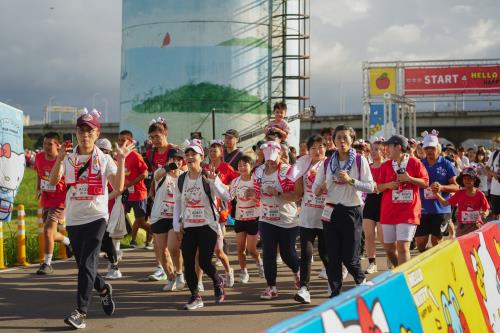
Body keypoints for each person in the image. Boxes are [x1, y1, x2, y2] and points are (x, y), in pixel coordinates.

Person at [49, 109, 133, 329]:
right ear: (76, 132)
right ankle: (103, 288)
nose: (85, 134)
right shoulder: (68, 158)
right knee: (84, 266)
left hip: (97, 217)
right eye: (81, 130)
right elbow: (52, 180)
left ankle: (80, 313)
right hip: (75, 219)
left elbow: (119, 186)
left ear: (97, 133)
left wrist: (121, 160)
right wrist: (59, 159)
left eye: (90, 131)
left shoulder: (104, 159)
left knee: (87, 264)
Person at [313, 125, 375, 297]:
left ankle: (361, 281)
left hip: (352, 211)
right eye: (338, 137)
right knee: (333, 256)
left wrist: (351, 180)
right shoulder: (327, 162)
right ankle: (335, 291)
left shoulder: (359, 160)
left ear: (352, 140)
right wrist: (319, 189)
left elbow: (371, 187)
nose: (341, 141)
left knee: (350, 257)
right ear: (333, 141)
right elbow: (315, 186)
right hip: (330, 210)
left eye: (345, 137)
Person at [173, 139, 228, 310]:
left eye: (193, 154)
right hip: (189, 227)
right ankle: (195, 296)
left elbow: (227, 197)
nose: (189, 157)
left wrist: (215, 183)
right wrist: (177, 226)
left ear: (201, 157)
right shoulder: (181, 179)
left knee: (204, 261)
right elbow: (177, 204)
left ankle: (217, 280)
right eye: (187, 154)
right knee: (188, 262)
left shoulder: (208, 175)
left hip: (208, 225)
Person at [250, 141, 300, 300]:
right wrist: (251, 193)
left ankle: (298, 270)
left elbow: (297, 195)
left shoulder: (288, 171)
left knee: (287, 254)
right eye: (268, 159)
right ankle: (271, 287)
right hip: (266, 218)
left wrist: (277, 193)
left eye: (273, 158)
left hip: (287, 219)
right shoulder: (258, 172)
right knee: (269, 254)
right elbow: (256, 192)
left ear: (280, 154)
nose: (270, 162)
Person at [377, 135, 429, 267]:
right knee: (389, 248)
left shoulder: (415, 163)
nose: (386, 150)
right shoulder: (386, 165)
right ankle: (399, 269)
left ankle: (402, 278)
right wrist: (388, 185)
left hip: (408, 212)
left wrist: (409, 179)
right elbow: (377, 187)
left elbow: (425, 183)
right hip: (388, 212)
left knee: (403, 247)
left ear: (398, 147)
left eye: (388, 147)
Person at [289, 135, 328, 304]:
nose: (317, 150)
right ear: (309, 150)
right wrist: (297, 176)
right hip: (307, 216)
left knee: (326, 254)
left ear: (325, 148)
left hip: (326, 217)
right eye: (313, 148)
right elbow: (299, 193)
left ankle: (334, 283)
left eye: (320, 147)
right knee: (306, 253)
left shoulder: (330, 165)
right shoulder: (303, 165)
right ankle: (304, 288)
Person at [35, 132, 72, 275]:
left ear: (58, 145)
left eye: (50, 144)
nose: (46, 147)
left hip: (59, 200)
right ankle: (68, 242)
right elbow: (39, 174)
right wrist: (38, 189)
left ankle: (47, 264)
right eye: (45, 143)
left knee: (48, 231)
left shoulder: (63, 159)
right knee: (50, 233)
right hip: (46, 199)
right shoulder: (38, 157)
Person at [415, 130, 458, 252]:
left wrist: (442, 187)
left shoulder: (446, 164)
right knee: (420, 244)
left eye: (432, 148)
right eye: (427, 147)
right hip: (422, 210)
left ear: (438, 148)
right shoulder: (420, 164)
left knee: (436, 242)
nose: (429, 150)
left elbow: (456, 187)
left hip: (441, 210)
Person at [144, 118, 176, 280]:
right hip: (158, 201)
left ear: (165, 133)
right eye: (152, 137)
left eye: (157, 136)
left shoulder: (174, 151)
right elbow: (154, 175)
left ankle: (180, 273)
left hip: (175, 202)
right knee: (158, 242)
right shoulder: (151, 153)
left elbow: (180, 172)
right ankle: (164, 271)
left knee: (174, 245)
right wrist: (151, 190)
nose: (155, 140)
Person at [203, 139, 238, 287]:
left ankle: (228, 269)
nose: (212, 153)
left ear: (221, 152)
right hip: (205, 208)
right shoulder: (204, 166)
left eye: (215, 150)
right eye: (210, 151)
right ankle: (198, 282)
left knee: (218, 248)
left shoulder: (226, 167)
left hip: (221, 204)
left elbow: (235, 183)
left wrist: (221, 185)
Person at [150, 148, 185, 291]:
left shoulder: (184, 176)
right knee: (162, 250)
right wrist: (169, 167)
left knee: (173, 247)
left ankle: (179, 273)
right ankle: (170, 278)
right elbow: (157, 175)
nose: (176, 162)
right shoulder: (161, 173)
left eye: (179, 159)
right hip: (158, 216)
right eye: (173, 159)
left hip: (175, 217)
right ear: (168, 160)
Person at [229, 155, 264, 283]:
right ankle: (244, 271)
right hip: (239, 218)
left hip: (254, 217)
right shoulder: (235, 182)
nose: (242, 168)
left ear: (251, 166)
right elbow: (228, 196)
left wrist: (254, 197)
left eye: (245, 165)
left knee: (251, 248)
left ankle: (259, 262)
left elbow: (263, 199)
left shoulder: (256, 181)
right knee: (240, 248)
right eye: (240, 165)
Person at [435, 167, 489, 237]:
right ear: (462, 180)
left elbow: (486, 210)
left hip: (476, 226)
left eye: (470, 179)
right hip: (462, 227)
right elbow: (445, 203)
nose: (467, 181)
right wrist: (436, 194)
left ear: (475, 180)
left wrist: (485, 213)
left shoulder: (480, 194)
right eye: (465, 178)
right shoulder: (459, 193)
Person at [362, 139, 385, 275]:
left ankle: (390, 257)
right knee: (369, 235)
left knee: (383, 237)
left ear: (383, 151)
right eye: (372, 149)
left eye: (377, 149)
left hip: (384, 202)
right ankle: (372, 263)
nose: (374, 152)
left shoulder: (388, 166)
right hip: (370, 202)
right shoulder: (368, 167)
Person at [486, 146, 500, 219]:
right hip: (495, 191)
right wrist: (493, 174)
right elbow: (487, 167)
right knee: (496, 216)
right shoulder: (495, 153)